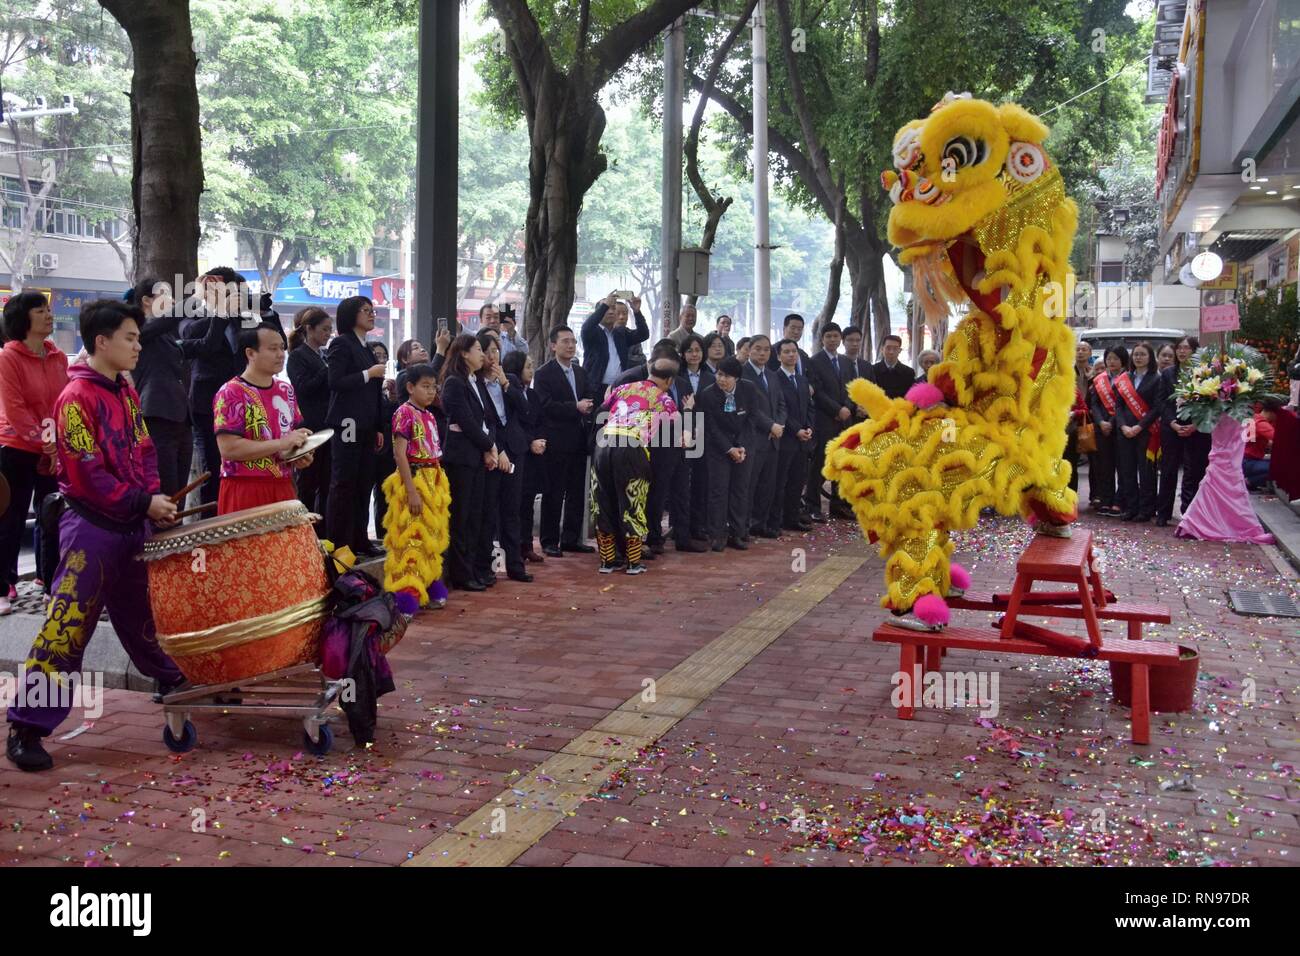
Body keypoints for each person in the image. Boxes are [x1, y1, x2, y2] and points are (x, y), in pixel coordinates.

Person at [6, 300, 184, 772]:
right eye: (131, 337)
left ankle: (171, 680)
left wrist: (153, 499)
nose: (138, 346)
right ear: (101, 342)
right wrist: (142, 502)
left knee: (142, 616)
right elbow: (85, 474)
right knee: (66, 629)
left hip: (130, 527)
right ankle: (26, 725)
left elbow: (144, 450)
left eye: (139, 338)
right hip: (91, 531)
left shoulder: (124, 391)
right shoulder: (75, 398)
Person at [0, 291, 67, 615]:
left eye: (49, 309)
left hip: (52, 448)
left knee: (52, 516)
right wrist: (46, 444)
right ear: (23, 319)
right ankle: (3, 585)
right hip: (15, 447)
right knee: (10, 519)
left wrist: (56, 446)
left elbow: (61, 405)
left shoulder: (58, 357)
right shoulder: (8, 357)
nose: (49, 315)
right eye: (41, 310)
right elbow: (14, 409)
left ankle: (49, 583)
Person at [591, 359, 681, 574]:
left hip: (603, 445)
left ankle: (607, 562)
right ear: (669, 380)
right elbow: (677, 425)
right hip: (631, 449)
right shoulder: (664, 398)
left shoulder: (622, 388)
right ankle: (633, 563)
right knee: (633, 503)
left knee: (603, 503)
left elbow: (600, 413)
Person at [613, 339, 702, 555]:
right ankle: (653, 537)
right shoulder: (631, 378)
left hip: (678, 444)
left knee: (681, 491)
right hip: (648, 446)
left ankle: (682, 537)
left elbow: (689, 410)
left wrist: (690, 433)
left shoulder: (680, 382)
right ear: (652, 361)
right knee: (655, 493)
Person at [213, 324, 312, 514]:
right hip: (244, 488)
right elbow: (229, 449)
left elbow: (288, 440)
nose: (281, 354)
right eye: (273, 349)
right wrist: (282, 443)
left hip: (283, 486)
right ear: (250, 353)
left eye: (282, 348)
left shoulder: (286, 390)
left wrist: (298, 455)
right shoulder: (230, 392)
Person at [381, 362, 451, 611]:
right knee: (411, 539)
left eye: (434, 387)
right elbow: (400, 455)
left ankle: (430, 583)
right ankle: (406, 595)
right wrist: (411, 491)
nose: (431, 392)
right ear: (410, 387)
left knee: (430, 537)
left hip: (433, 481)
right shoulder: (404, 413)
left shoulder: (430, 414)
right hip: (414, 478)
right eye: (425, 386)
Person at [324, 296, 386, 557]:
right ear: (351, 315)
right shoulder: (341, 343)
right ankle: (338, 541)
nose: (372, 314)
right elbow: (335, 381)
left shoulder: (368, 348)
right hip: (347, 421)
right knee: (344, 481)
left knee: (363, 482)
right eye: (366, 311)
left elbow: (374, 392)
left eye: (373, 310)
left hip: (367, 423)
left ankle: (360, 537)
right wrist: (368, 373)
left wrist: (380, 426)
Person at [182, 266, 249, 506]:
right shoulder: (194, 313)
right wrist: (218, 310)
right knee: (214, 468)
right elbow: (196, 338)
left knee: (242, 470)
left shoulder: (242, 319)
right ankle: (213, 530)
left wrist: (260, 311)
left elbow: (273, 341)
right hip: (207, 403)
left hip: (241, 403)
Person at [440, 334, 499, 590]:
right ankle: (461, 573)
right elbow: (466, 421)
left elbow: (488, 418)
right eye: (477, 349)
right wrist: (489, 446)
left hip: (477, 456)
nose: (482, 354)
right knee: (461, 517)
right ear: (463, 353)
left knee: (476, 515)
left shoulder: (476, 381)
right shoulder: (454, 383)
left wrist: (490, 447)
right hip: (462, 458)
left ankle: (474, 568)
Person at [475, 330, 531, 583]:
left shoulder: (509, 379)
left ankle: (516, 566)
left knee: (512, 510)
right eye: (487, 352)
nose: (492, 357)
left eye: (496, 351)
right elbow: (484, 421)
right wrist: (498, 450)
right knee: (488, 512)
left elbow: (525, 410)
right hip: (491, 453)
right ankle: (486, 568)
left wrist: (507, 385)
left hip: (515, 451)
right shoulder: (475, 383)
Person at [533, 326, 594, 557]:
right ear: (553, 345)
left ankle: (571, 538)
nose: (570, 346)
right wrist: (574, 408)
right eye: (565, 341)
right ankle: (549, 540)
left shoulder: (580, 372)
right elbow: (544, 405)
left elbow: (589, 395)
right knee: (554, 491)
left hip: (579, 439)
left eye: (573, 341)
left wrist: (589, 405)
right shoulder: (544, 373)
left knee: (577, 492)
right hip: (556, 440)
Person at [130, 278, 193, 500]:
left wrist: (220, 313)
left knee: (180, 494)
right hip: (157, 416)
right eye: (165, 294)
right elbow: (164, 322)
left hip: (182, 417)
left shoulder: (169, 333)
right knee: (166, 490)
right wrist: (197, 298)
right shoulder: (139, 330)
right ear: (147, 301)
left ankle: (177, 534)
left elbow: (206, 344)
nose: (173, 300)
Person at [698, 357, 754, 550]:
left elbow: (750, 419)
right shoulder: (708, 394)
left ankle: (737, 534)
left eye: (726, 376)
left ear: (736, 378)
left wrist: (741, 447)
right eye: (719, 374)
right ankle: (717, 535)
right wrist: (729, 448)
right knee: (718, 492)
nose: (721, 379)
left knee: (740, 491)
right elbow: (711, 427)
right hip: (718, 449)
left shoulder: (748, 389)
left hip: (743, 449)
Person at [1155, 336, 1209, 527]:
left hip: (1196, 429)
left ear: (1195, 351)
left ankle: (1189, 512)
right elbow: (1162, 401)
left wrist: (1195, 424)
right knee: (1168, 470)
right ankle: (1163, 513)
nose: (1182, 351)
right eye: (1180, 348)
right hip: (1172, 428)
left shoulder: (1205, 374)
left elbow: (1209, 403)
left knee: (1193, 471)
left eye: (1187, 348)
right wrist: (1172, 423)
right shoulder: (1168, 373)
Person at [287, 307, 333, 524]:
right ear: (309, 329)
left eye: (330, 330)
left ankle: (324, 531)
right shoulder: (297, 356)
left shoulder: (323, 355)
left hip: (327, 423)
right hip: (309, 424)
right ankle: (306, 529)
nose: (328, 334)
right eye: (324, 329)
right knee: (308, 482)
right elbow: (303, 387)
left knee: (327, 481)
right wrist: (326, 369)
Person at [502, 350, 547, 565]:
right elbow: (515, 423)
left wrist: (539, 439)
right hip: (517, 451)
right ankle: (513, 548)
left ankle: (527, 545)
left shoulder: (533, 394)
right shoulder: (508, 392)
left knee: (528, 501)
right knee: (514, 503)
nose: (531, 370)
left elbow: (537, 420)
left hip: (534, 455)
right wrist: (530, 441)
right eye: (527, 366)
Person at [741, 335, 787, 539]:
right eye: (758, 349)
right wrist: (770, 425)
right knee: (749, 485)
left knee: (768, 485)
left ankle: (760, 523)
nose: (762, 353)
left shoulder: (772, 374)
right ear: (749, 350)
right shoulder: (743, 374)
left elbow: (781, 404)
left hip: (773, 439)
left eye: (766, 350)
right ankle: (743, 526)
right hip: (753, 438)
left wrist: (778, 424)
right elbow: (748, 407)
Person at [806, 323, 853, 521]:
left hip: (844, 421)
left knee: (841, 464)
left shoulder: (846, 362)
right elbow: (817, 391)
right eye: (829, 336)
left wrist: (848, 408)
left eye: (836, 336)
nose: (832, 340)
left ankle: (839, 505)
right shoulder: (815, 361)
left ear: (840, 339)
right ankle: (812, 505)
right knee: (820, 464)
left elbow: (852, 387)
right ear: (822, 339)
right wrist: (836, 410)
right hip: (824, 420)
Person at [1113, 341, 1161, 522]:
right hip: (1125, 432)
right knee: (1127, 470)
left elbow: (1157, 407)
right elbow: (1118, 406)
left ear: (1150, 358)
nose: (1139, 358)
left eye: (1143, 354)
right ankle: (1131, 507)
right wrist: (1124, 426)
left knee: (1146, 471)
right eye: (1136, 354)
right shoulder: (1125, 378)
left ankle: (1146, 509)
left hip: (1146, 432)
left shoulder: (1156, 378)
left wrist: (1139, 426)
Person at [773, 338, 815, 532]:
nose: (791, 355)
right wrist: (796, 429)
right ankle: (778, 518)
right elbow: (781, 410)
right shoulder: (775, 379)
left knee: (798, 481)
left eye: (793, 351)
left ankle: (792, 517)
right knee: (781, 481)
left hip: (803, 440)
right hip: (786, 438)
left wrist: (809, 428)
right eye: (786, 352)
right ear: (779, 356)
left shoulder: (802, 379)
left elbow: (809, 407)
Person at [581, 291, 651, 403]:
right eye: (607, 308)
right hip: (596, 388)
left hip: (618, 388)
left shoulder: (620, 333)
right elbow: (586, 327)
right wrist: (605, 305)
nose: (611, 311)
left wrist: (637, 311)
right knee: (597, 419)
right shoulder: (593, 333)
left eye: (613, 308)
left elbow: (643, 334)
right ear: (599, 312)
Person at [679, 333, 713, 545]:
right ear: (683, 354)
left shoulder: (711, 377)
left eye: (698, 350)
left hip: (704, 435)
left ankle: (698, 525)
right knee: (681, 483)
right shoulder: (677, 377)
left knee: (702, 482)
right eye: (690, 350)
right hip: (681, 434)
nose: (694, 354)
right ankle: (679, 525)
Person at [1088, 346, 1128, 516]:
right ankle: (1106, 499)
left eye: (1116, 359)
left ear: (1123, 361)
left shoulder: (1127, 379)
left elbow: (1122, 405)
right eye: (1109, 358)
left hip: (1120, 428)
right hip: (1102, 428)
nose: (1112, 362)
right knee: (1105, 466)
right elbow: (1094, 403)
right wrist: (1100, 421)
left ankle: (1120, 501)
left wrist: (1111, 422)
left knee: (1123, 465)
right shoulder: (1099, 379)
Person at [370, 341, 399, 537]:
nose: (381, 360)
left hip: (387, 450)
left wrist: (392, 399)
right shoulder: (366, 387)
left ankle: (383, 535)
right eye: (377, 356)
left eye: (383, 357)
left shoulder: (386, 388)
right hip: (370, 448)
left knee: (385, 494)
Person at [1244, 396, 1282, 490]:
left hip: (1242, 460)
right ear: (1273, 412)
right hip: (1247, 462)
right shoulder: (1261, 424)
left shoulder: (1254, 417)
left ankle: (1248, 481)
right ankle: (1249, 482)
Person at [840, 326, 875, 423]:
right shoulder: (838, 365)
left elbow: (872, 389)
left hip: (864, 416)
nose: (854, 344)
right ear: (843, 342)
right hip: (843, 416)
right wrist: (854, 407)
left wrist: (866, 407)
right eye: (850, 340)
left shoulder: (867, 366)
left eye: (858, 340)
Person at [872, 334, 914, 400]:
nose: (891, 352)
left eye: (895, 348)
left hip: (900, 409)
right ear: (882, 349)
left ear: (900, 350)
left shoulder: (908, 372)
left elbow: (910, 396)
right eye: (888, 348)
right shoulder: (872, 370)